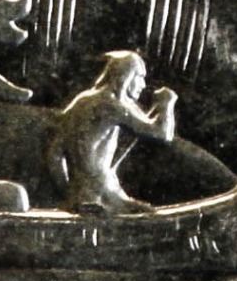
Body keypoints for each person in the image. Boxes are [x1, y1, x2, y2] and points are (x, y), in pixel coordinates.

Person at [46, 50, 177, 213]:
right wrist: (166, 102)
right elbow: (162, 133)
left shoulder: (82, 101)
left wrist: (68, 192)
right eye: (140, 77)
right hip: (103, 193)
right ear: (126, 76)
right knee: (149, 216)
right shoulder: (110, 105)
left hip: (82, 193)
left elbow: (54, 154)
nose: (143, 85)